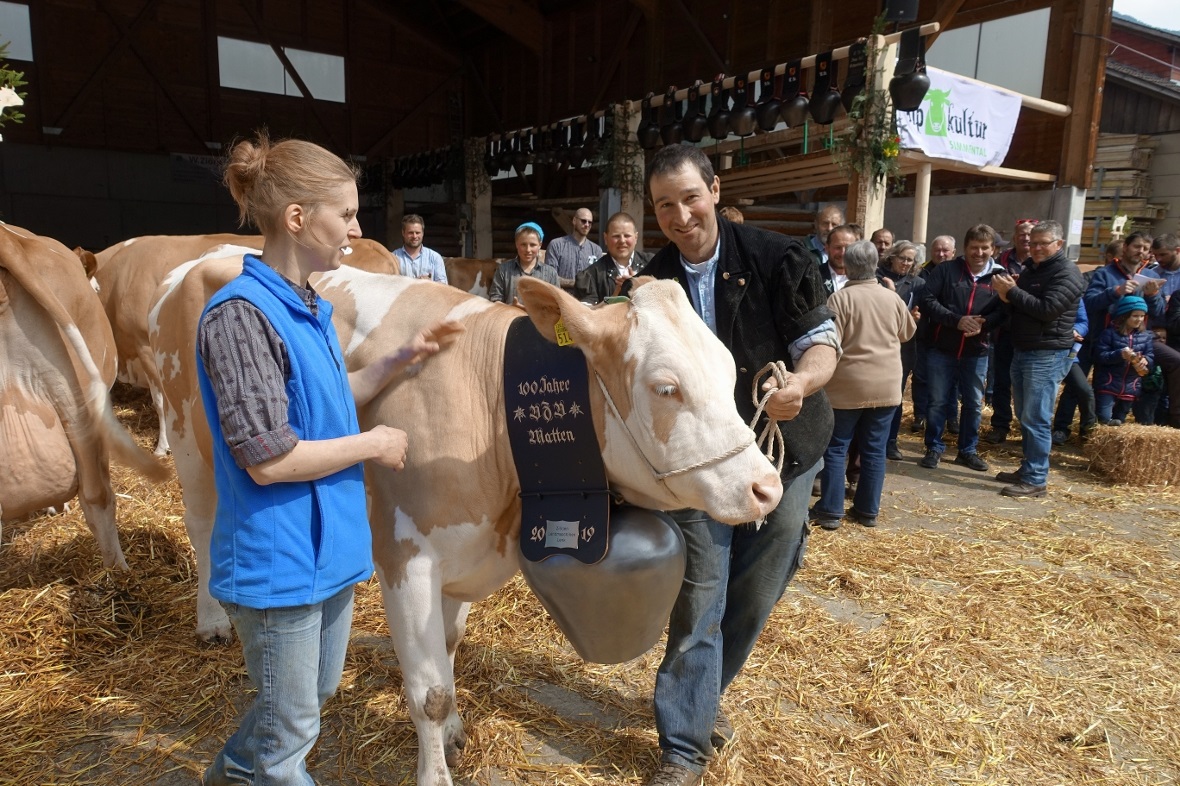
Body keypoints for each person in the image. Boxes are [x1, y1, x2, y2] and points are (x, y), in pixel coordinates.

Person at [198, 131, 455, 786]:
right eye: (346, 213)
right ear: (297, 218)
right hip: (278, 559)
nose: (357, 229)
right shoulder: (240, 318)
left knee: (306, 703)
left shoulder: (309, 306)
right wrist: (373, 444)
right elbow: (267, 459)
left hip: (329, 553)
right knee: (290, 736)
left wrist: (402, 359)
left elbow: (330, 398)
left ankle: (227, 776)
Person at [640, 143, 837, 786]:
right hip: (700, 462)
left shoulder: (777, 257)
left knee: (757, 588)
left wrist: (800, 384)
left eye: (690, 198)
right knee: (701, 593)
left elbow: (821, 344)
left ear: (716, 191)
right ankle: (684, 747)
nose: (680, 216)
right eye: (664, 206)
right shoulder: (651, 283)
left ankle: (702, 696)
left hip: (783, 448)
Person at [811, 240, 915, 530]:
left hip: (847, 386)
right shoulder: (891, 298)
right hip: (887, 386)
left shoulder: (839, 299)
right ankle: (868, 510)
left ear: (848, 266)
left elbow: (831, 341)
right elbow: (907, 333)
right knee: (875, 449)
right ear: (875, 265)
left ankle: (831, 510)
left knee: (836, 447)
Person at [990, 220, 1084, 498]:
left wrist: (1012, 292)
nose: (1037, 248)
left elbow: (1047, 310)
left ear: (1059, 244)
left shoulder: (1067, 272)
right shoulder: (1033, 269)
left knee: (1037, 417)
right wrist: (1008, 297)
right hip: (1025, 348)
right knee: (1025, 415)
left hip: (1047, 352)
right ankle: (1029, 468)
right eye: (1034, 243)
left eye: (1044, 243)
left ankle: (1036, 479)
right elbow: (1021, 307)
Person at [917, 224, 1006, 472]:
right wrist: (955, 320)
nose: (979, 253)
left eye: (985, 248)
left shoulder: (1000, 277)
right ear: (965, 248)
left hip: (977, 350)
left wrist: (984, 323)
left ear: (993, 249)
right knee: (937, 401)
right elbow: (927, 300)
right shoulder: (946, 270)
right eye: (974, 247)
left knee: (973, 403)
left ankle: (967, 450)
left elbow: (1005, 310)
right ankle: (934, 447)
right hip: (942, 347)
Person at [985, 219, 1038, 444]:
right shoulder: (1001, 262)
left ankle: (1028, 430)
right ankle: (1000, 425)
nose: (1025, 238)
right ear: (1014, 237)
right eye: (1021, 234)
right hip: (1005, 330)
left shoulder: (1040, 263)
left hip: (1032, 332)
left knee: (1030, 384)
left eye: (1029, 235)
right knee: (1001, 381)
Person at [879, 241, 925, 460]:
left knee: (895, 396)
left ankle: (890, 441)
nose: (906, 263)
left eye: (910, 260)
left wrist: (916, 318)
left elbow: (922, 313)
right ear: (892, 257)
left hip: (903, 347)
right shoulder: (877, 278)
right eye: (902, 258)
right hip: (877, 344)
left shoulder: (918, 284)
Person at [1091, 295, 1154, 425]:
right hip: (1108, 383)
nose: (1139, 319)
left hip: (1131, 386)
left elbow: (1151, 355)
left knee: (1120, 421)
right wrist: (1119, 355)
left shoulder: (1146, 336)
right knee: (1104, 418)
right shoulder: (1109, 333)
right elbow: (1100, 356)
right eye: (1135, 316)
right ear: (1124, 316)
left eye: (1142, 316)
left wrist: (1146, 360)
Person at [573, 211, 649, 303]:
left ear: (636, 237)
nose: (622, 240)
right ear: (605, 238)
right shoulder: (591, 276)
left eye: (627, 236)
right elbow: (586, 311)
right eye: (616, 236)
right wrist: (614, 296)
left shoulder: (653, 264)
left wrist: (641, 287)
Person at [489, 222, 560, 304]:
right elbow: (495, 299)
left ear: (540, 245)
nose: (528, 250)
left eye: (532, 245)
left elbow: (557, 303)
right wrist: (511, 308)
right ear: (516, 244)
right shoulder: (504, 270)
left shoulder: (551, 273)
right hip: (510, 312)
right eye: (523, 245)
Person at [544, 207, 603, 290]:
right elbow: (550, 277)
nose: (587, 225)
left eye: (590, 222)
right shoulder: (556, 245)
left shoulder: (596, 250)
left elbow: (598, 280)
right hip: (561, 295)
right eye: (583, 221)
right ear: (574, 221)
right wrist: (576, 283)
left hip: (587, 297)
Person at [393, 213, 448, 283]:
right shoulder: (394, 257)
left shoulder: (435, 258)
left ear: (422, 233)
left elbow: (443, 286)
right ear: (403, 233)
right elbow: (388, 285)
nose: (414, 236)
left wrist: (429, 283)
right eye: (410, 233)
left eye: (417, 233)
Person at [818, 224, 858, 296]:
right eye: (838, 248)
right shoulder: (815, 275)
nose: (842, 253)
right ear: (827, 248)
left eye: (848, 248)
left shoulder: (863, 279)